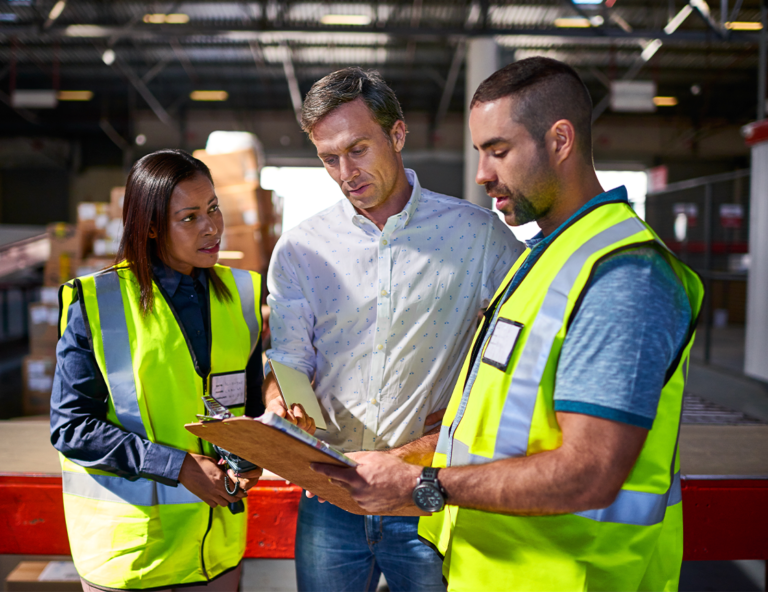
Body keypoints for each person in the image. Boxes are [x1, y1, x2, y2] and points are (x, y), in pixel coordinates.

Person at [311, 57, 705, 591]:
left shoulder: (623, 276)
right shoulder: (540, 260)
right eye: (480, 152)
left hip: (573, 577)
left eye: (499, 151)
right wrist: (396, 461)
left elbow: (589, 472)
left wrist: (422, 486)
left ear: (560, 141)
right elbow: (491, 428)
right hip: (498, 572)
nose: (482, 174)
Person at [263, 67, 519, 592]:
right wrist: (280, 404)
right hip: (330, 495)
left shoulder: (479, 238)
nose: (344, 172)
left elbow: (521, 356)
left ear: (396, 135)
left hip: (424, 493)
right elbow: (288, 361)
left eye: (357, 149)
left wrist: (450, 423)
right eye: (328, 158)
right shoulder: (300, 249)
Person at [50, 149, 265, 591]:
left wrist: (250, 456)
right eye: (189, 217)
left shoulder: (242, 295)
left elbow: (249, 408)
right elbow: (72, 428)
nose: (211, 227)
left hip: (215, 555)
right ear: (149, 226)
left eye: (213, 209)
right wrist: (179, 466)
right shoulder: (100, 303)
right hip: (132, 557)